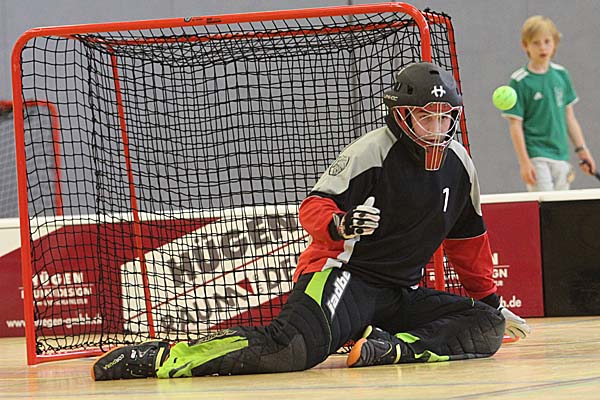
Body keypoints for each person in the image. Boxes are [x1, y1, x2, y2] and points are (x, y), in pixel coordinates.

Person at [92, 62, 530, 381]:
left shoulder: (460, 166)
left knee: (486, 327)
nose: (436, 126)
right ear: (401, 114)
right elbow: (314, 206)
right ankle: (164, 357)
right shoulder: (371, 152)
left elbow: (468, 242)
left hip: (400, 293)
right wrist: (342, 226)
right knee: (290, 349)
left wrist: (491, 302)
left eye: (444, 116)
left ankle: (388, 349)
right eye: (425, 116)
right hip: (343, 277)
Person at [503, 15, 596, 191]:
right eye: (536, 43)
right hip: (537, 155)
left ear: (555, 43)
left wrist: (582, 151)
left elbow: (569, 118)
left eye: (547, 41)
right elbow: (515, 125)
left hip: (561, 156)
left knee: (561, 205)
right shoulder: (519, 81)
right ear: (525, 45)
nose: (542, 47)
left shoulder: (562, 75)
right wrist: (525, 162)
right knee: (545, 203)